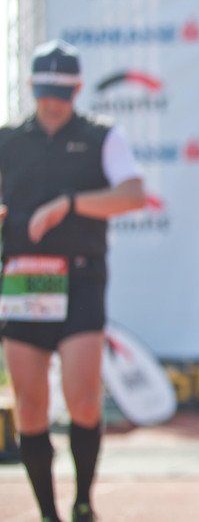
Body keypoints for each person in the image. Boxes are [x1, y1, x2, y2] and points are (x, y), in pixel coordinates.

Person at [0, 40, 145, 522]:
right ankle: (48, 512)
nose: (52, 102)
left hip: (81, 277)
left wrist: (71, 203)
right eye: (45, 91)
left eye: (62, 92)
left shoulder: (102, 136)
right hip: (23, 280)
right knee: (30, 403)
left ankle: (83, 501)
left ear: (78, 89)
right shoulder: (8, 140)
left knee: (82, 398)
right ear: (31, 86)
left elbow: (133, 195)